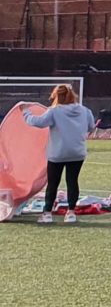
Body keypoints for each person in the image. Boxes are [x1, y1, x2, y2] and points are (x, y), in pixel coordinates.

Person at [22, 84, 93, 224]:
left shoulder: (54, 111)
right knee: (72, 181)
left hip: (58, 153)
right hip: (77, 152)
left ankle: (47, 213)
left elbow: (38, 122)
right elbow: (91, 127)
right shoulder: (85, 111)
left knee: (53, 183)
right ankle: (71, 212)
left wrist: (25, 112)